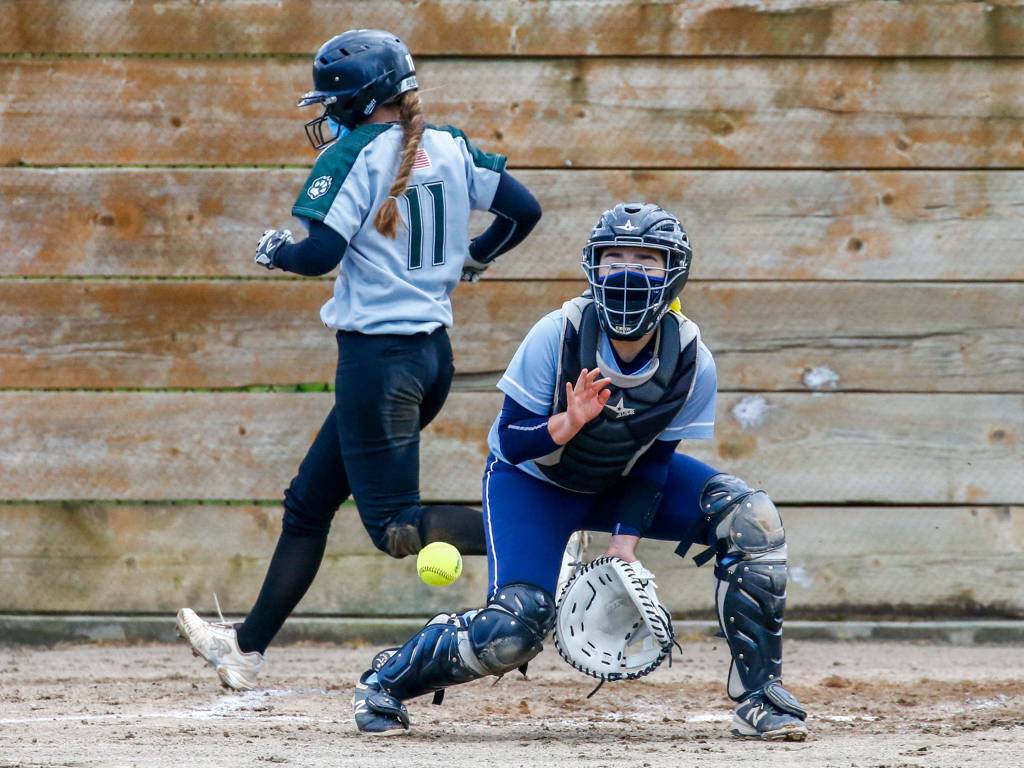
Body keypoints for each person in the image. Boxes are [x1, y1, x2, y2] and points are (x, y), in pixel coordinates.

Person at [350, 203, 808, 741]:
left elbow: (655, 460)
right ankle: (386, 681)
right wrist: (563, 426)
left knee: (751, 518)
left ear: (674, 273)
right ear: (593, 267)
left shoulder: (690, 357)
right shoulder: (559, 332)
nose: (629, 271)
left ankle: (760, 696)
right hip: (536, 486)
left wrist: (625, 543)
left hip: (622, 482)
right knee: (513, 631)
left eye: (647, 259)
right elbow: (510, 444)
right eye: (614, 258)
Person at [176, 29, 541, 691]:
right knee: (309, 504)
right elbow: (524, 211)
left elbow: (319, 254)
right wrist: (477, 256)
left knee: (394, 528)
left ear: (358, 97)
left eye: (332, 98)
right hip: (429, 358)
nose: (326, 111)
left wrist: (274, 251)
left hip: (380, 364)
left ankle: (547, 538)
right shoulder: (450, 144)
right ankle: (244, 649)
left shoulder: (351, 154)